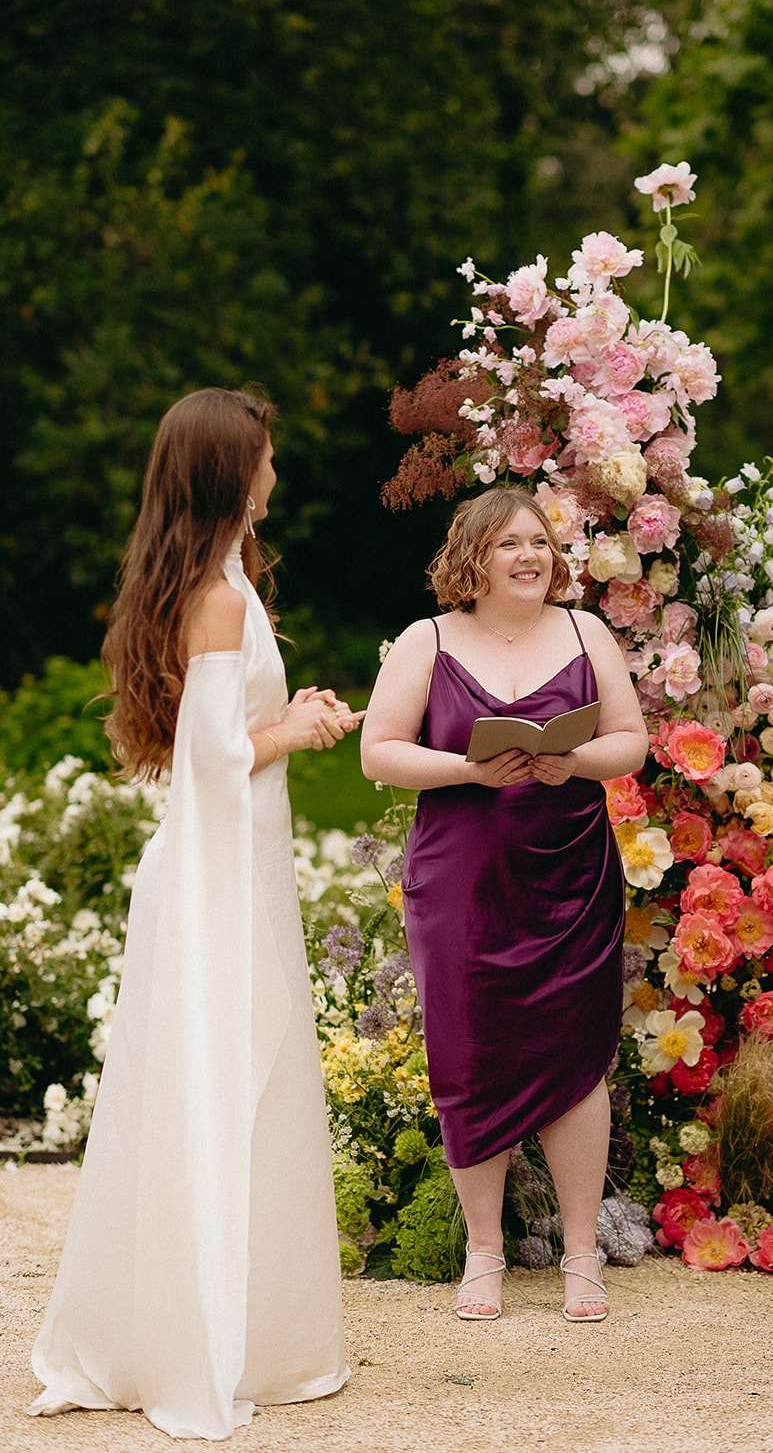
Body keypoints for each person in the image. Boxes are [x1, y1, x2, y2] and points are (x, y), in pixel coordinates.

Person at [28, 387, 361, 1441]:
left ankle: (231, 1317)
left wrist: (280, 718)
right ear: (232, 471)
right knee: (226, 1081)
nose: (275, 474)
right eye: (265, 457)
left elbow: (212, 737)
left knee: (230, 1081)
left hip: (228, 865)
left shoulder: (213, 583)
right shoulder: (218, 598)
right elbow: (217, 757)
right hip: (218, 875)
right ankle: (207, 1333)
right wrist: (304, 727)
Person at [360, 488, 647, 1322]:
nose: (530, 556)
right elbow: (380, 753)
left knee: (574, 1054)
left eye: (539, 542)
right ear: (472, 558)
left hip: (569, 874)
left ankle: (582, 1253)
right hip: (461, 879)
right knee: (469, 1053)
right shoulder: (431, 639)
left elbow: (630, 739)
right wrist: (468, 771)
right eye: (509, 544)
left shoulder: (586, 631)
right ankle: (484, 1252)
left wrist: (578, 762)